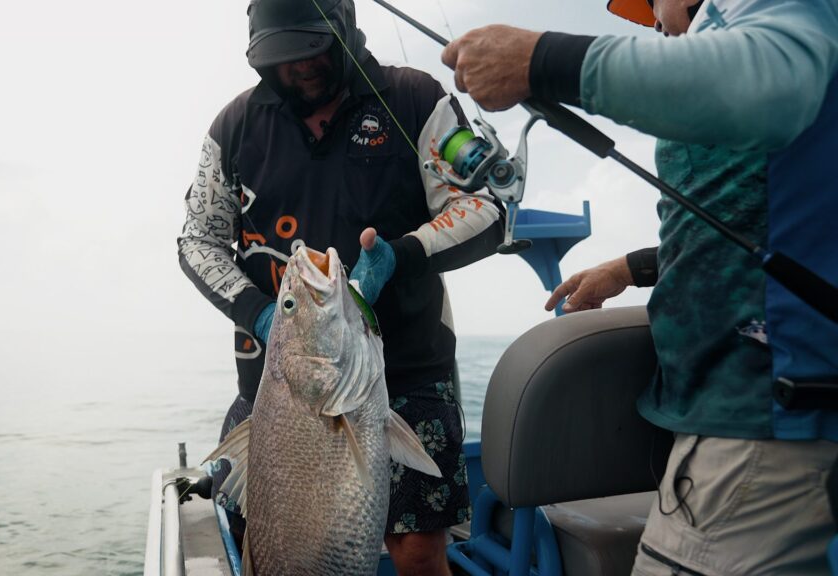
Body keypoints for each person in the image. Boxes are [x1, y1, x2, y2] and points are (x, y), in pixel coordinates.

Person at [441, 0, 838, 574]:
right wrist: (628, 268)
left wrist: (541, 60)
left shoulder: (777, 21)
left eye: (654, 6)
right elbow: (767, 219)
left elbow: (768, 84)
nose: (654, 24)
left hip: (763, 424)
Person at [177, 0, 506, 573]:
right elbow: (197, 240)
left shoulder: (414, 100)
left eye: (313, 52)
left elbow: (484, 207)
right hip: (278, 383)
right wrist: (258, 311)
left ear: (345, 31)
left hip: (408, 368)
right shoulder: (234, 128)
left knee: (419, 548)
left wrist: (402, 255)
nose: (300, 70)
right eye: (283, 60)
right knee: (268, 541)